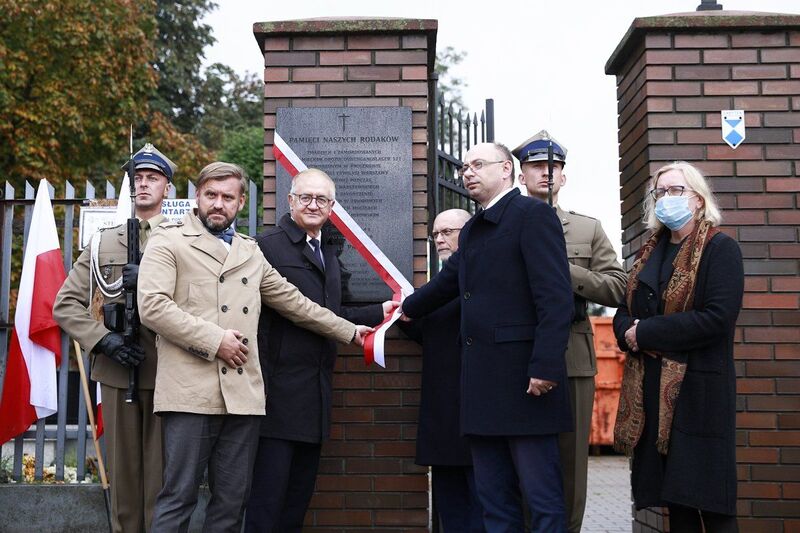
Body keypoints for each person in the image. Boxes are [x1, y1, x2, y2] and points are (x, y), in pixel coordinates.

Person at [137, 162, 373, 533]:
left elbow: (295, 303)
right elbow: (153, 307)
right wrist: (215, 340)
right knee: (178, 498)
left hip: (243, 395)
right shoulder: (168, 241)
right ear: (197, 197)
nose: (219, 204)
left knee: (232, 503)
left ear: (240, 202)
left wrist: (350, 331)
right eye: (211, 195)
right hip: (190, 392)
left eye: (228, 197)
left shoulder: (249, 250)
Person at [401, 142, 574, 531]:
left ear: (506, 170)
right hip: (481, 387)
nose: (468, 172)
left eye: (478, 164)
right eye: (464, 166)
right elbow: (447, 283)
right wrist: (405, 309)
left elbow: (555, 297)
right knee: (495, 503)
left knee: (542, 499)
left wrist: (546, 365)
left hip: (527, 382)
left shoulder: (533, 216)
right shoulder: (476, 227)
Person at [244, 168, 394, 532]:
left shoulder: (325, 250)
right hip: (276, 396)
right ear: (291, 201)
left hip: (315, 397)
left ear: (332, 207)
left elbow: (328, 314)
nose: (314, 205)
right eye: (306, 198)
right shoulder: (267, 247)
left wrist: (379, 312)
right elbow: (287, 312)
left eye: (322, 200)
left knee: (296, 501)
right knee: (266, 503)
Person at [613, 161, 743, 532]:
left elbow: (717, 318)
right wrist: (627, 332)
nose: (666, 198)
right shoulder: (648, 253)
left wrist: (646, 333)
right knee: (677, 503)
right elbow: (625, 309)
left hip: (698, 393)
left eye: (676, 190)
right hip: (654, 394)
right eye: (660, 192)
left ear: (699, 200)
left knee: (710, 503)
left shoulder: (719, 249)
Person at [54, 143, 175, 533]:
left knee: (163, 478)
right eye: (137, 179)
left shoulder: (184, 240)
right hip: (117, 370)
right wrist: (103, 340)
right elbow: (66, 304)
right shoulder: (104, 243)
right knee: (123, 477)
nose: (143, 185)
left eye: (152, 179)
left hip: (169, 370)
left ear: (167, 189)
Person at [514, 130, 627, 532]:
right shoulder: (500, 224)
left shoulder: (586, 229)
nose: (546, 173)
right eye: (537, 166)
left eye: (554, 167)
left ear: (563, 177)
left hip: (571, 356)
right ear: (521, 174)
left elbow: (617, 287)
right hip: (513, 354)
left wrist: (562, 270)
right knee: (517, 459)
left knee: (570, 461)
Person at [399, 208, 485, 533]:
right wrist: (406, 316)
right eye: (435, 234)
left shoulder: (481, 276)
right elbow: (430, 332)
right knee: (451, 509)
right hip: (443, 413)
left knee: (482, 507)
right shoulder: (436, 282)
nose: (439, 239)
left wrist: (415, 307)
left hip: (477, 409)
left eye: (447, 231)